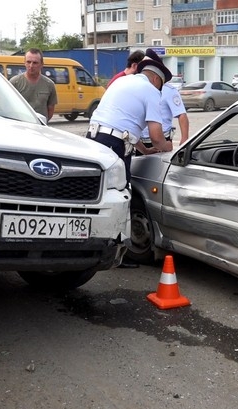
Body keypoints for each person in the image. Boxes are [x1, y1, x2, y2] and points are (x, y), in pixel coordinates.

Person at [86, 49, 173, 268]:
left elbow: (121, 123)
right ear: (156, 79)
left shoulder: (121, 82)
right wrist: (167, 146)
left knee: (95, 194)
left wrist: (144, 150)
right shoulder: (152, 91)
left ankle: (88, 244)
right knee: (119, 195)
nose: (160, 90)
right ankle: (116, 253)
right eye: (160, 86)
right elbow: (156, 134)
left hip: (93, 138)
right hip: (115, 146)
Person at [9, 48, 58, 122]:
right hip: (20, 126)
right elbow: (8, 107)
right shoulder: (14, 82)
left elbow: (50, 109)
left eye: (35, 63)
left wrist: (42, 122)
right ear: (24, 63)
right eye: (28, 62)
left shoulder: (49, 85)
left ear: (41, 64)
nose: (31, 65)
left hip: (40, 128)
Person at [139, 82, 190, 148]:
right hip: (141, 142)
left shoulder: (168, 90)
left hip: (162, 140)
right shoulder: (140, 88)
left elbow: (181, 114)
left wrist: (184, 139)